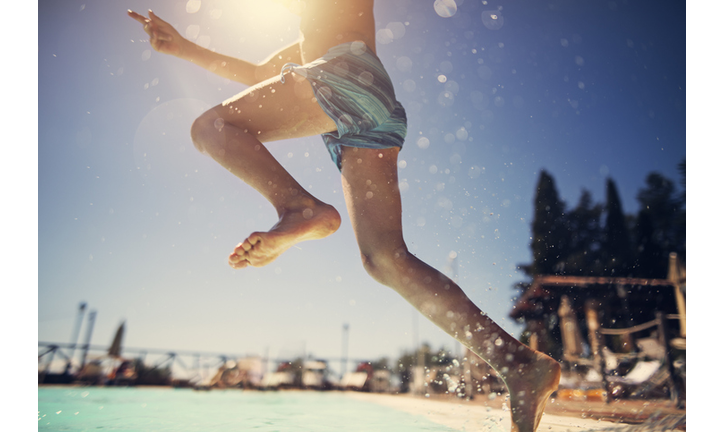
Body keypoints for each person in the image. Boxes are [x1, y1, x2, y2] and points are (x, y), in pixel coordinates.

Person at [128, 2, 560, 431]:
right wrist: (185, 49)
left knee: (210, 127)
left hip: (345, 77)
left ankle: (299, 208)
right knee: (384, 259)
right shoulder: (311, 34)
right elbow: (260, 73)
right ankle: (518, 363)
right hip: (369, 107)